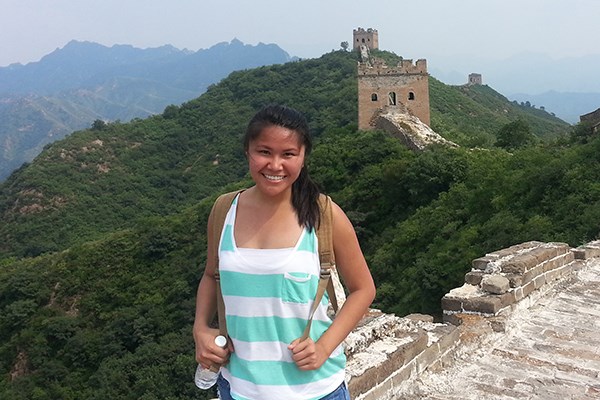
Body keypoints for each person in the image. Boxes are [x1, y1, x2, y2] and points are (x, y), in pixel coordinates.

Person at [193, 104, 376, 400]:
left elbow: (363, 289)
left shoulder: (324, 215)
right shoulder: (224, 210)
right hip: (239, 387)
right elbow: (211, 275)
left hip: (315, 390)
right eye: (264, 152)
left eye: (288, 154)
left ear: (303, 158)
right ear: (247, 152)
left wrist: (324, 347)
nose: (275, 165)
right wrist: (200, 328)